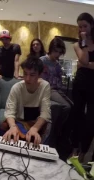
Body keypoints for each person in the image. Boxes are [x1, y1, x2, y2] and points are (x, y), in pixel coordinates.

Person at [2, 56, 51, 146]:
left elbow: (45, 113)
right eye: (25, 73)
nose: (27, 78)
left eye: (32, 75)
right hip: (19, 122)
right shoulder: (17, 87)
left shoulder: (45, 86)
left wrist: (35, 128)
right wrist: (12, 127)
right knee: (13, 136)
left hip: (36, 122)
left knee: (47, 128)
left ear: (39, 75)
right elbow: (9, 111)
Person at [68, 12, 94, 162]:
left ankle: (84, 151)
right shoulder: (77, 44)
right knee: (76, 117)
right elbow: (83, 60)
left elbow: (84, 63)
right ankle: (74, 150)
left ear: (92, 25)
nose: (82, 29)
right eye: (80, 27)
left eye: (85, 26)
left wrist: (86, 65)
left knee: (91, 120)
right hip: (80, 84)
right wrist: (84, 41)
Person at [40, 37, 71, 146]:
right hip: (47, 89)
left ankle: (61, 132)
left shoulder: (57, 64)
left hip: (56, 89)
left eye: (59, 52)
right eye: (55, 51)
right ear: (51, 49)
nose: (57, 54)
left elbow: (59, 80)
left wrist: (60, 88)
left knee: (72, 107)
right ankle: (57, 129)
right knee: (67, 106)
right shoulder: (42, 60)